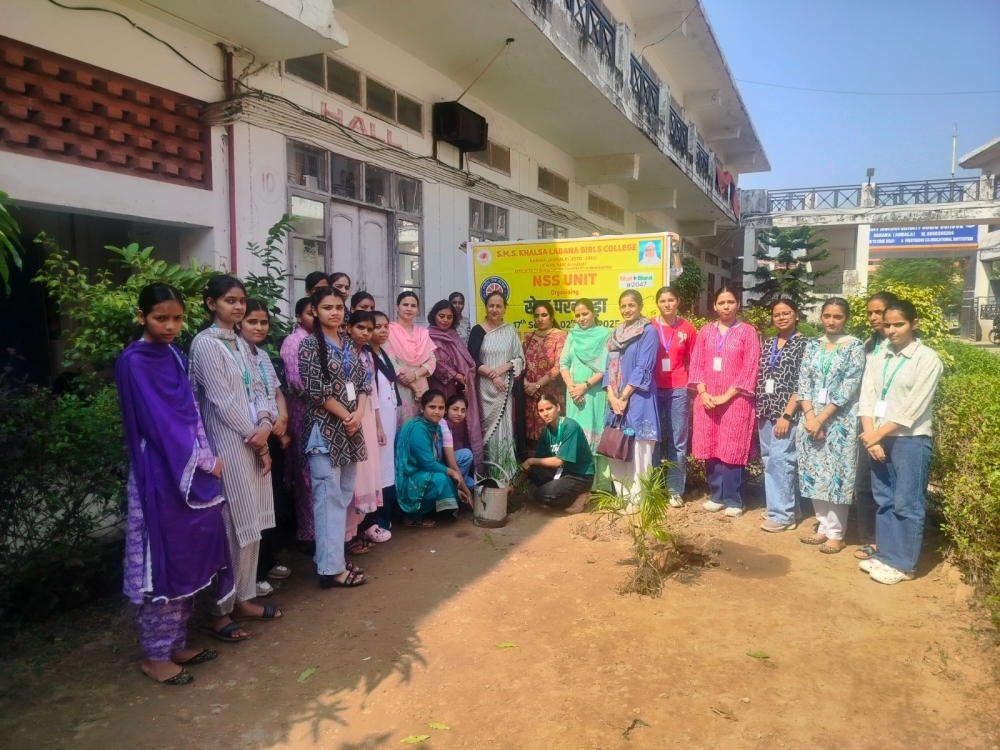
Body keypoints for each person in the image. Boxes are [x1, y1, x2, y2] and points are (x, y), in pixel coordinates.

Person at [115, 283, 232, 685]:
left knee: (188, 554)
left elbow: (191, 411)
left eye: (177, 319)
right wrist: (201, 460)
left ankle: (176, 643)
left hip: (190, 464)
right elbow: (159, 422)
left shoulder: (176, 355)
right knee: (161, 557)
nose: (170, 326)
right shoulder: (133, 362)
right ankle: (155, 655)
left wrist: (206, 456)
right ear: (141, 317)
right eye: (160, 318)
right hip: (159, 472)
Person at [188, 276, 282, 637]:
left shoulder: (240, 343)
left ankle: (243, 597)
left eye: (241, 300)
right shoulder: (206, 344)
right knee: (233, 523)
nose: (239, 306)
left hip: (254, 436)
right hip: (227, 442)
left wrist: (266, 423)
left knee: (253, 522)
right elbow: (223, 401)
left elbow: (260, 389)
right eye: (230, 300)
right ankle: (219, 610)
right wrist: (260, 441)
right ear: (212, 304)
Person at [858, 300, 943, 584]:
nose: (892, 330)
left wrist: (878, 434)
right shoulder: (880, 355)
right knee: (884, 499)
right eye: (888, 324)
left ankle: (904, 564)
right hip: (877, 439)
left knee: (907, 503)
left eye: (899, 324)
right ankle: (885, 556)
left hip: (910, 440)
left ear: (914, 324)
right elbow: (867, 397)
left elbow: (913, 408)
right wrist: (872, 437)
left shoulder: (927, 359)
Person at [299, 286, 370, 588]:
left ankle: (330, 559)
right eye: (327, 307)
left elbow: (363, 383)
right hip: (324, 432)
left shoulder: (348, 343)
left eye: (339, 307)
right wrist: (347, 416)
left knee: (342, 498)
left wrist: (359, 414)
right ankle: (331, 571)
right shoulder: (308, 345)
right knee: (327, 500)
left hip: (350, 431)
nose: (334, 312)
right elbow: (316, 391)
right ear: (315, 311)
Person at [795, 298, 866, 553]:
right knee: (814, 471)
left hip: (839, 420)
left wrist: (821, 419)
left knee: (836, 475)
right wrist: (810, 417)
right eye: (827, 316)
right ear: (821, 317)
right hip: (810, 418)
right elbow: (804, 381)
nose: (832, 321)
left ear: (846, 319)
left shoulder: (855, 346)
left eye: (837, 317)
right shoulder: (813, 345)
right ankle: (823, 526)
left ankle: (836, 532)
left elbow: (849, 386)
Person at [688, 287, 760, 518]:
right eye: (721, 302)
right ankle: (717, 496)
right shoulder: (706, 332)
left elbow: (750, 367)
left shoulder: (747, 332)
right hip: (707, 400)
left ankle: (734, 500)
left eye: (730, 302)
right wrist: (703, 393)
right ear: (715, 306)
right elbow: (696, 363)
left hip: (736, 401)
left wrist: (727, 396)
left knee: (732, 448)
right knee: (710, 447)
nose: (726, 306)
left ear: (738, 304)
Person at [240, 300, 292, 592]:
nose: (259, 327)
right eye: (252, 322)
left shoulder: (262, 356)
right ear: (239, 323)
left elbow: (277, 393)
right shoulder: (234, 356)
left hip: (272, 433)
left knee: (272, 501)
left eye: (263, 322)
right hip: (250, 437)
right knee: (254, 505)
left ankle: (268, 560)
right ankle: (253, 573)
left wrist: (282, 419)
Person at [602, 290, 659, 505]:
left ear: (640, 306)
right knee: (617, 445)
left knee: (638, 448)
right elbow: (607, 368)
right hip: (616, 403)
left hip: (638, 400)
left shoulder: (648, 332)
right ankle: (623, 496)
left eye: (631, 305)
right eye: (623, 306)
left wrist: (624, 396)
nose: (627, 310)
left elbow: (644, 367)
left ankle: (638, 499)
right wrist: (612, 396)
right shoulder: (614, 335)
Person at [756, 299, 809, 533]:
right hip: (765, 409)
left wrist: (787, 415)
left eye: (786, 313)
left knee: (782, 460)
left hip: (787, 413)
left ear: (796, 315)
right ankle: (790, 508)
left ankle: (781, 515)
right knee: (770, 459)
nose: (781, 317)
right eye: (776, 314)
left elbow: (802, 383)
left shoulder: (806, 344)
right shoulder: (768, 343)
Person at [854, 290, 899, 561]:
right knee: (864, 485)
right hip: (868, 424)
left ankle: (889, 542)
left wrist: (880, 434)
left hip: (893, 428)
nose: (873, 317)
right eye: (869, 312)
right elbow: (866, 391)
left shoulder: (902, 347)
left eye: (878, 312)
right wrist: (870, 432)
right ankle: (870, 539)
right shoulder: (869, 345)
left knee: (889, 488)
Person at [650, 286, 698, 507]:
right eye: (662, 300)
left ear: (678, 301)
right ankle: (653, 487)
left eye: (671, 300)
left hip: (678, 388)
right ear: (657, 303)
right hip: (652, 389)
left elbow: (694, 361)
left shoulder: (687, 328)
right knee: (653, 440)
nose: (667, 304)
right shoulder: (649, 326)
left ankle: (675, 490)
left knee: (678, 441)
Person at [559, 299, 612, 489]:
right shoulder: (572, 335)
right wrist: (572, 387)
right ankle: (578, 485)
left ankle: (599, 486)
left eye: (585, 314)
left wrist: (585, 386)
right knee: (577, 434)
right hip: (574, 395)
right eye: (578, 315)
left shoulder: (604, 335)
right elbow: (563, 363)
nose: (581, 318)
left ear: (594, 313)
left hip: (594, 393)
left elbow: (606, 366)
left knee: (596, 432)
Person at [469, 291, 525, 466]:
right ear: (486, 308)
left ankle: (506, 468)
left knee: (504, 425)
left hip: (504, 387)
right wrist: (493, 375)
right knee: (486, 427)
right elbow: (471, 359)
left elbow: (520, 358)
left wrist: (503, 368)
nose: (494, 309)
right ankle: (487, 469)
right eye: (491, 305)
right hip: (484, 387)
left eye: (498, 306)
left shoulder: (510, 331)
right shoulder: (478, 330)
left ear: (505, 309)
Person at [343, 310, 383, 553]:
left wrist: (378, 424)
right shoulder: (343, 353)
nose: (365, 333)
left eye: (369, 329)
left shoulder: (368, 355)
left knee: (366, 472)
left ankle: (356, 531)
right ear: (349, 328)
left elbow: (372, 392)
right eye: (360, 327)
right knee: (353, 476)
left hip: (366, 416)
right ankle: (345, 538)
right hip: (348, 416)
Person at [427, 299, 484, 465]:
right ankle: (442, 464)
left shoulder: (454, 335)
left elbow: (466, 359)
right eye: (441, 316)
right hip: (439, 386)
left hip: (459, 388)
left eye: (449, 317)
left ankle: (462, 463)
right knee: (442, 420)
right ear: (434, 316)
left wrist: (464, 376)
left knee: (458, 422)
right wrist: (454, 375)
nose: (445, 320)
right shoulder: (428, 335)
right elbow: (433, 362)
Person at [395, 390, 464, 526]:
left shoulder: (435, 428)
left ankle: (430, 512)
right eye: (432, 407)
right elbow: (428, 464)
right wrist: (452, 472)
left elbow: (438, 461)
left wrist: (455, 488)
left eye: (441, 408)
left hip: (422, 474)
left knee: (447, 477)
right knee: (442, 479)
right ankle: (411, 517)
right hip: (409, 479)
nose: (437, 412)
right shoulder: (418, 429)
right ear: (422, 408)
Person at [279, 298, 316, 553]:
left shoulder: (321, 339)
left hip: (326, 415)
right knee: (307, 475)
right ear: (299, 316)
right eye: (309, 313)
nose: (315, 316)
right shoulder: (294, 341)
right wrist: (328, 399)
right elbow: (297, 382)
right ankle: (308, 535)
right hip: (305, 414)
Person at [520, 393, 595, 513]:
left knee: (540, 495)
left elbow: (558, 461)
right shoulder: (546, 431)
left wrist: (530, 460)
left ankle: (580, 495)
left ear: (558, 407)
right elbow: (536, 462)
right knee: (534, 471)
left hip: (580, 476)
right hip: (563, 472)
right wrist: (512, 485)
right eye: (541, 410)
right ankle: (557, 496)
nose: (545, 413)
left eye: (549, 408)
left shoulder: (570, 427)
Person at [365, 311, 399, 541]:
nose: (383, 330)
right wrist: (377, 425)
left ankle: (386, 517)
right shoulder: (367, 355)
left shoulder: (383, 353)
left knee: (387, 467)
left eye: (386, 326)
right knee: (377, 468)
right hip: (376, 419)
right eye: (378, 327)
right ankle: (375, 520)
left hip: (389, 416)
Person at [386, 291, 437, 426]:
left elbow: (432, 361)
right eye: (405, 305)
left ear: (418, 309)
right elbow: (390, 362)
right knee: (400, 426)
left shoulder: (422, 333)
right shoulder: (388, 331)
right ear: (397, 306)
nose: (409, 309)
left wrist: (415, 374)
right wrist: (414, 387)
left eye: (413, 306)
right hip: (399, 386)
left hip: (421, 385)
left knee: (421, 427)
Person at [523, 301, 567, 446]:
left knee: (552, 433)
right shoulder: (530, 337)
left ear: (552, 317)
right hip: (530, 395)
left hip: (550, 393)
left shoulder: (560, 336)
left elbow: (558, 366)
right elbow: (521, 362)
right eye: (536, 316)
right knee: (532, 436)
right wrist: (526, 384)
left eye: (544, 315)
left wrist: (537, 385)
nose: (540, 319)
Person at [445, 393, 476, 488]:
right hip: (438, 464)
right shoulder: (443, 427)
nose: (459, 414)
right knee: (466, 454)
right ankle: (453, 486)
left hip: (445, 463)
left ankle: (457, 484)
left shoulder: (450, 427)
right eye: (455, 409)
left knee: (472, 484)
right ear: (446, 409)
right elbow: (450, 462)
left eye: (463, 411)